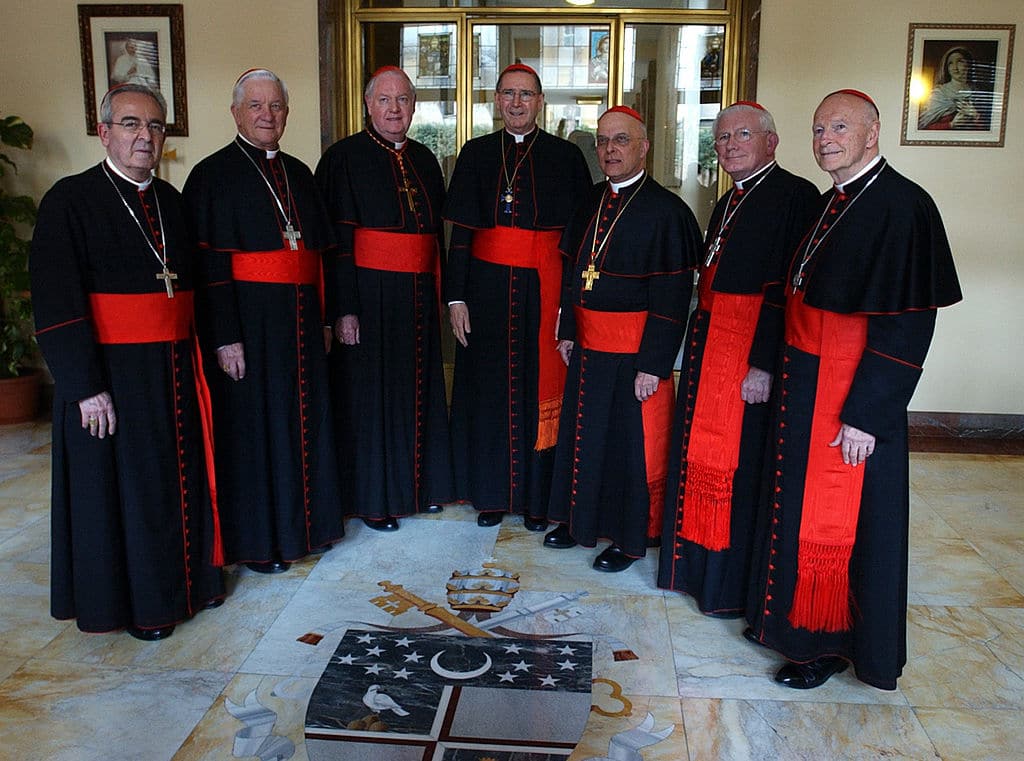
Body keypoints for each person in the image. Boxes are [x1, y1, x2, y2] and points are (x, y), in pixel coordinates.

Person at [745, 90, 962, 690]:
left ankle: (830, 644)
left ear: (872, 135)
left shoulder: (904, 206)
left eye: (839, 127)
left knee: (846, 524)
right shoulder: (829, 202)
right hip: (804, 377)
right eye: (817, 130)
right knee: (792, 505)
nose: (825, 139)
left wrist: (867, 414)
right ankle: (787, 623)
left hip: (852, 391)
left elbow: (909, 322)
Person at [30, 84, 224, 640]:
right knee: (129, 494)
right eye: (133, 125)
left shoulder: (171, 201)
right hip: (111, 375)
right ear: (105, 131)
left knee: (176, 481)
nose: (146, 136)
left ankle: (192, 584)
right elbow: (56, 301)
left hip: (173, 369)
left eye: (156, 126)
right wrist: (84, 386)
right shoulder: (69, 200)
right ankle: (142, 607)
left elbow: (190, 289)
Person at [658, 102, 819, 614]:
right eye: (722, 138)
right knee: (699, 457)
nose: (728, 145)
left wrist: (765, 362)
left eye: (741, 135)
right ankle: (698, 569)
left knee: (742, 466)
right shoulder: (729, 199)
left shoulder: (796, 195)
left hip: (748, 353)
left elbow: (787, 291)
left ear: (771, 140)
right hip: (712, 346)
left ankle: (728, 584)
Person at [183, 69, 344, 573]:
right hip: (249, 328)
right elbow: (209, 266)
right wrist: (226, 337)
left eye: (275, 106)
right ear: (236, 112)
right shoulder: (211, 175)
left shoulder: (300, 173)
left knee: (306, 423)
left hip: (299, 324)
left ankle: (311, 527)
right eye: (256, 106)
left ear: (287, 113)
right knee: (257, 432)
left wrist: (322, 318)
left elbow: (317, 256)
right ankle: (260, 543)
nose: (267, 115)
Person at [544, 106, 701, 572]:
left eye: (621, 141)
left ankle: (629, 540)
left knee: (627, 450)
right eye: (603, 142)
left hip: (634, 355)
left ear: (644, 147)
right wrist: (570, 331)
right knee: (584, 441)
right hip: (589, 350)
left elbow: (672, 298)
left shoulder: (667, 212)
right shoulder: (591, 201)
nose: (610, 150)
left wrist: (653, 365)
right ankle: (580, 523)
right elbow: (575, 272)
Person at [444, 63, 592, 530]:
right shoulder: (475, 153)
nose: (516, 103)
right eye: (508, 94)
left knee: (536, 390)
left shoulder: (566, 157)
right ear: (496, 100)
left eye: (525, 94)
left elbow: (575, 243)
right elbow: (462, 235)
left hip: (542, 292)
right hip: (484, 291)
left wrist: (569, 304)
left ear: (540, 101)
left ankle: (535, 500)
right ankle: (490, 494)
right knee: (487, 389)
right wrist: (455, 298)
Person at [315, 66, 453, 531]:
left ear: (414, 106)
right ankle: (375, 500)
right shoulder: (343, 158)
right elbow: (335, 243)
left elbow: (436, 238)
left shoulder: (425, 159)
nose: (395, 110)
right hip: (368, 296)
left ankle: (422, 486)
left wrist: (443, 293)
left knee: (420, 389)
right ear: (369, 105)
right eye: (385, 100)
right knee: (372, 399)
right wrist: (344, 309)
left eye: (404, 100)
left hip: (416, 294)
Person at [918, 46, 984, 130]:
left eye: (960, 61)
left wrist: (975, 115)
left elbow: (988, 131)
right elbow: (924, 127)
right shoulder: (939, 94)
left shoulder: (977, 93)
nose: (955, 67)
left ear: (968, 65)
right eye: (950, 63)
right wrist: (951, 124)